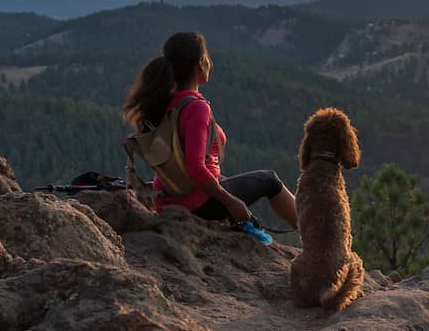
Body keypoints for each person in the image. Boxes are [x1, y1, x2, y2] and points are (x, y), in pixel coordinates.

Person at [123, 31, 299, 230]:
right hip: (197, 204)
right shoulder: (197, 107)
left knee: (235, 182)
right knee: (269, 180)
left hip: (167, 197)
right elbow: (195, 168)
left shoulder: (165, 100)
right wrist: (231, 201)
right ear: (200, 64)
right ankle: (312, 239)